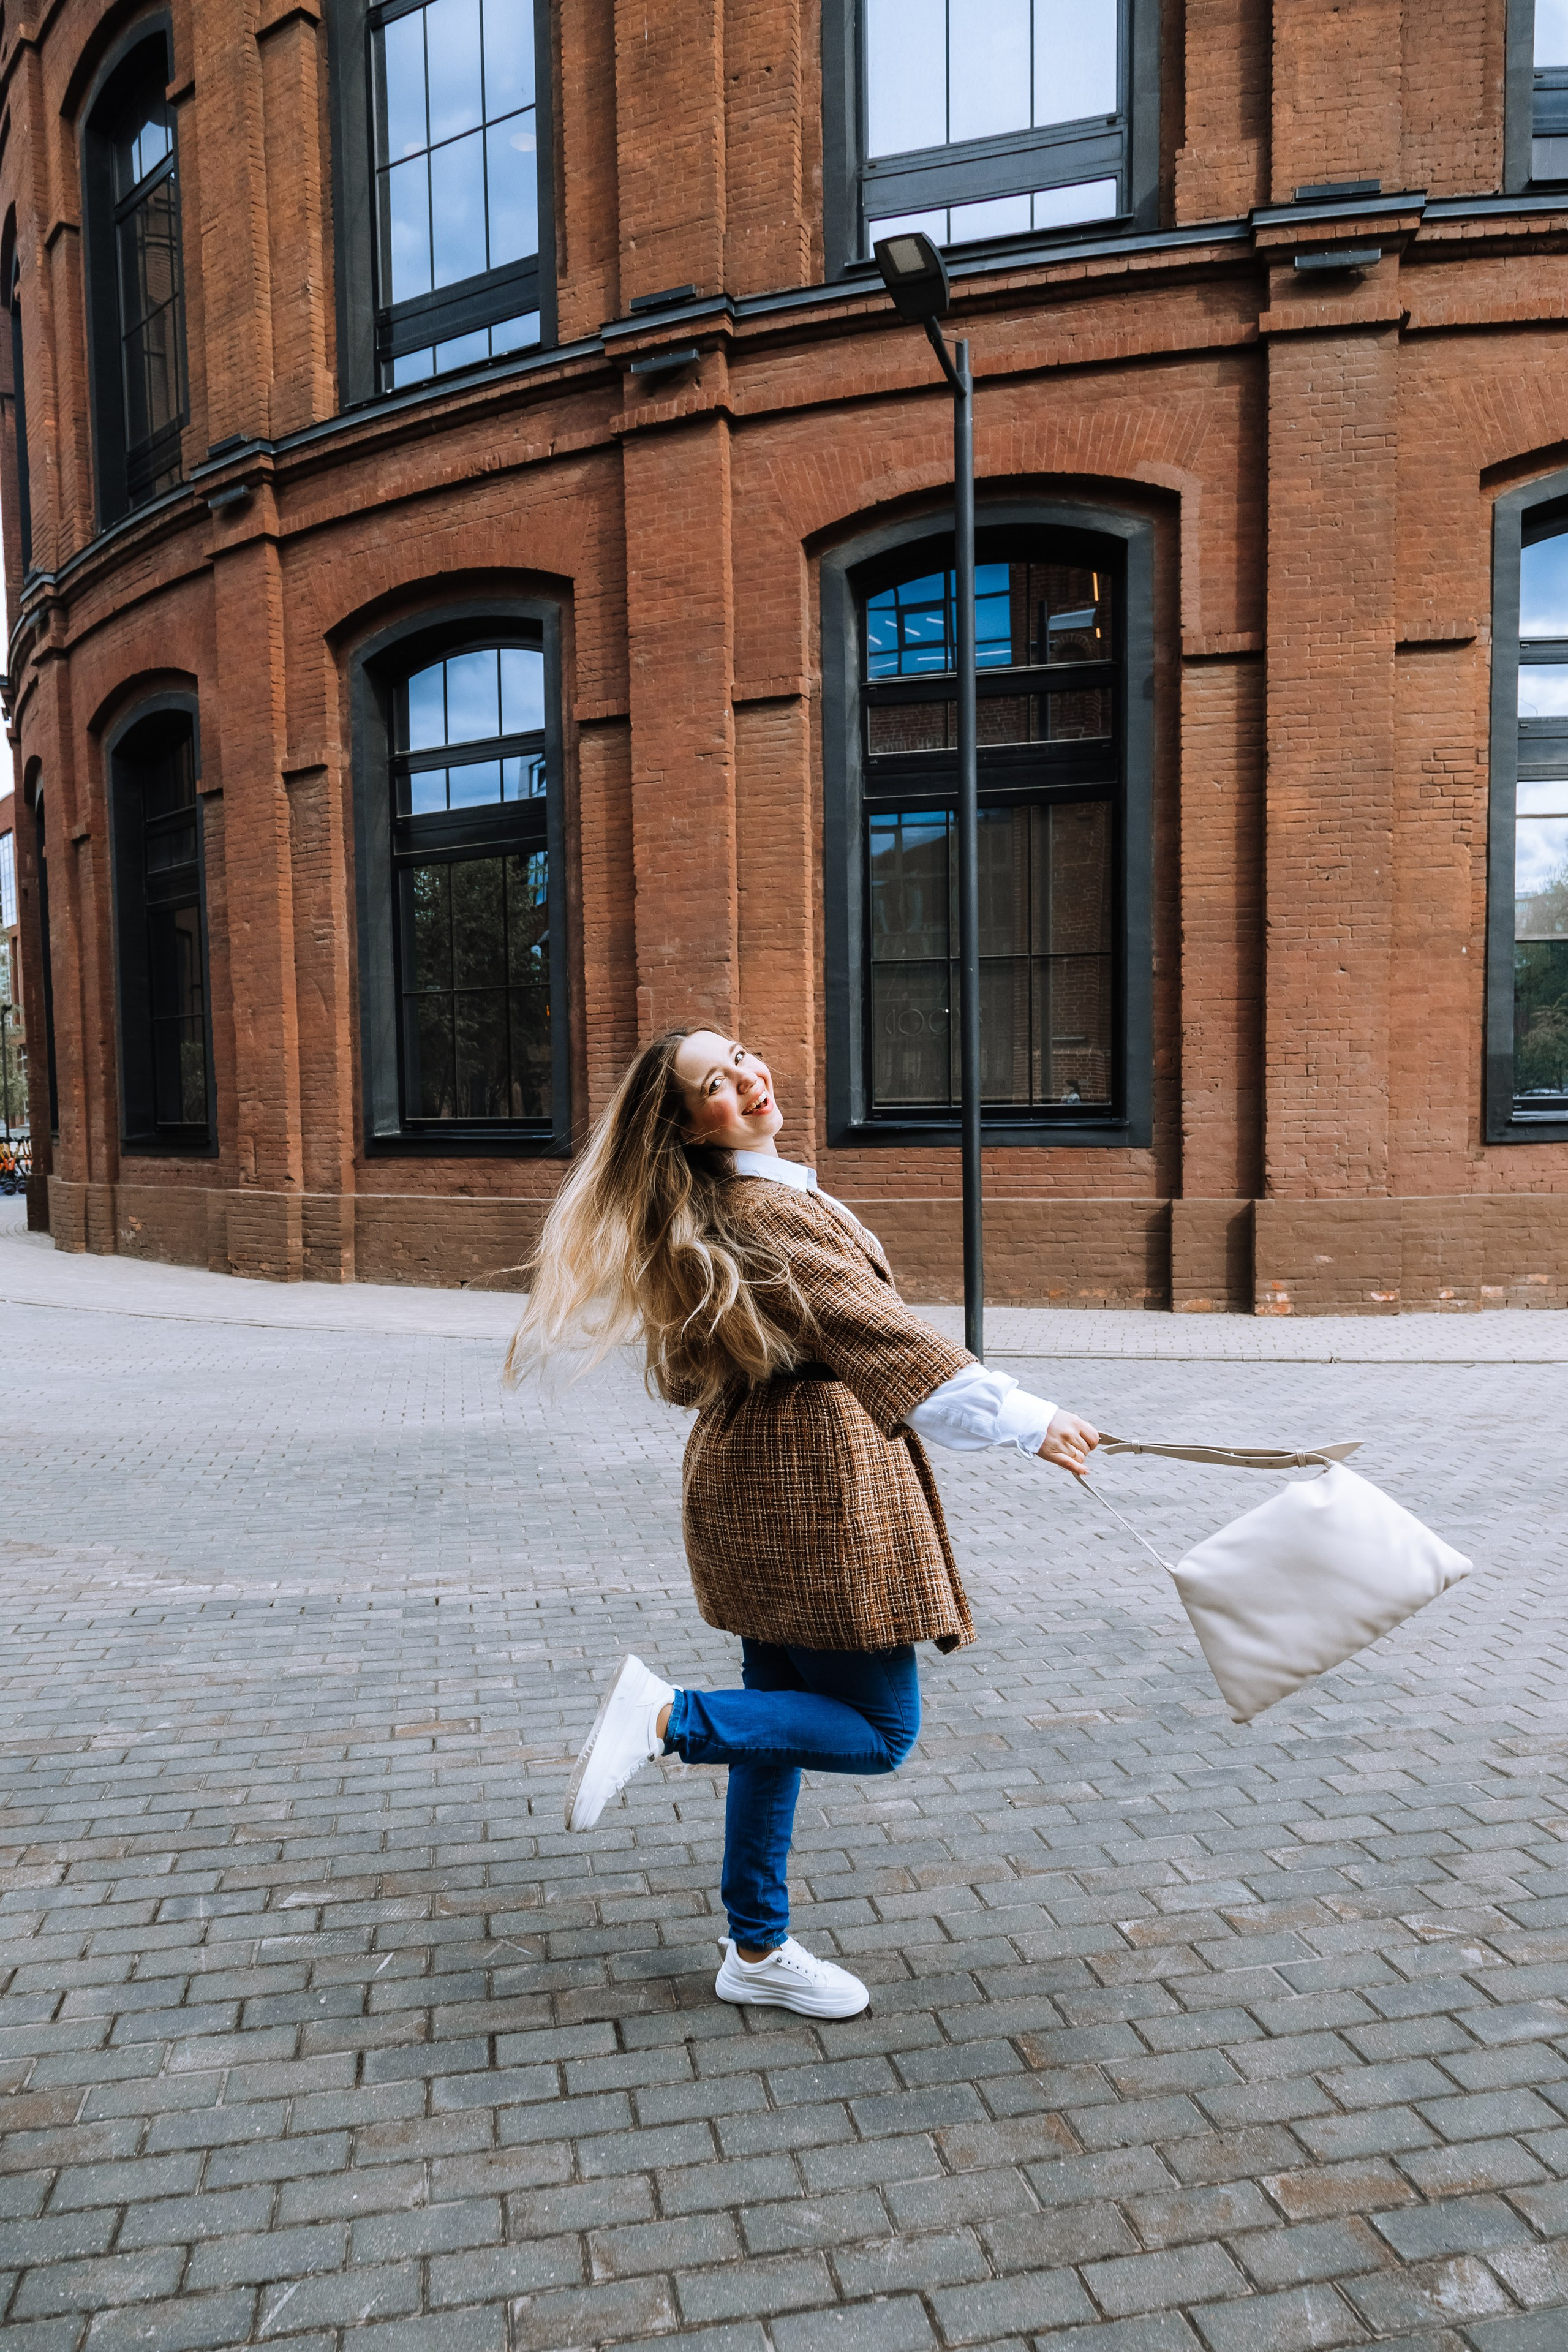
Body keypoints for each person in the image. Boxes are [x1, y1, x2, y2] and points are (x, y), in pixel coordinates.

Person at [505, 1030, 1099, 2019]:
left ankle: (756, 1947)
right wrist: (1030, 1421)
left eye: (739, 1058)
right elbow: (884, 1339)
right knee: (876, 1730)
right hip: (814, 1499)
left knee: (774, 1733)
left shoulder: (732, 1206)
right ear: (691, 1128)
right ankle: (664, 1720)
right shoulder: (762, 1211)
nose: (745, 1079)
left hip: (762, 1489)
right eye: (714, 1084)